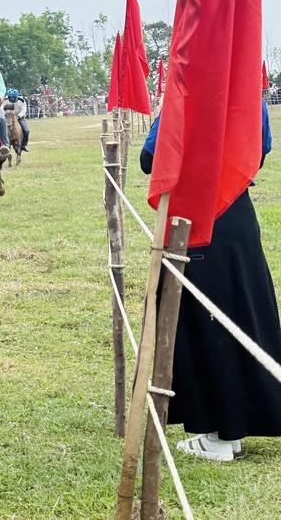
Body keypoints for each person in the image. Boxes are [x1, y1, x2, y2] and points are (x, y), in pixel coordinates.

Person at [140, 102, 281, 461]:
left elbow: (149, 160)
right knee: (241, 315)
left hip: (198, 221)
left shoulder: (184, 95)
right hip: (238, 217)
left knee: (203, 323)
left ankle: (221, 437)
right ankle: (229, 431)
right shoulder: (255, 101)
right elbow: (258, 155)